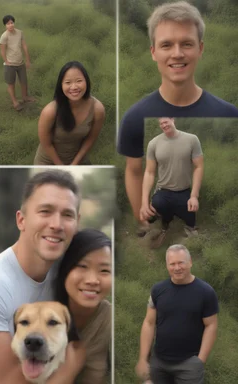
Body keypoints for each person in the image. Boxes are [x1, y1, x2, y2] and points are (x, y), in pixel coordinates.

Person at [117, 1, 238, 228]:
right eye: (166, 45)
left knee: (190, 221)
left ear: (200, 49)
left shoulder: (229, 113)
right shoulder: (134, 118)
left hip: (186, 193)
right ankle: (160, 227)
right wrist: (140, 216)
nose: (177, 53)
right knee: (160, 208)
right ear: (153, 52)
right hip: (163, 193)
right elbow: (134, 172)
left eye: (187, 43)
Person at [0, 170, 85, 384]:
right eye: (45, 211)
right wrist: (75, 362)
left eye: (67, 215)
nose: (57, 224)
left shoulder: (64, 272)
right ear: (21, 220)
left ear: (76, 224)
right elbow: (11, 380)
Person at [136, 244, 219, 384]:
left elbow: (211, 326)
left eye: (181, 262)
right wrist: (143, 358)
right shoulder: (158, 290)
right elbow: (149, 323)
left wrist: (200, 361)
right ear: (167, 265)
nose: (177, 268)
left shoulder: (206, 292)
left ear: (190, 262)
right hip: (159, 361)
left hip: (189, 363)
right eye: (172, 264)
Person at [55, 228, 112, 384]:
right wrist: (69, 370)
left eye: (104, 270)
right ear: (65, 268)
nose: (93, 280)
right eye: (82, 266)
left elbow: (95, 374)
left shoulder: (108, 316)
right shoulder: (42, 309)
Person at [140, 118, 203, 247]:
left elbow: (199, 167)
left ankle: (187, 226)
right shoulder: (154, 143)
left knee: (191, 218)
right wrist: (144, 202)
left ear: (173, 119)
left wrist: (194, 196)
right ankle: (164, 223)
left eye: (166, 121)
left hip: (184, 190)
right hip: (164, 190)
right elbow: (149, 172)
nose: (163, 125)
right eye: (161, 123)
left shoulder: (191, 139)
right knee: (158, 204)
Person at [34, 61, 105, 165]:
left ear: (87, 81)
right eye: (68, 82)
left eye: (79, 81)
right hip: (49, 161)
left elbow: (91, 139)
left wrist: (75, 163)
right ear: (61, 85)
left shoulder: (97, 109)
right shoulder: (50, 111)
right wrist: (61, 166)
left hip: (78, 159)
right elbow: (46, 144)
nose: (74, 87)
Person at [0, 15, 35, 111]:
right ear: (5, 25)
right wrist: (6, 61)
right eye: (8, 23)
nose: (10, 25)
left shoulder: (20, 33)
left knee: (24, 81)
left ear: (14, 23)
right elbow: (2, 51)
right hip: (10, 65)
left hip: (20, 63)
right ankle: (15, 102)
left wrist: (27, 60)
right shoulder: (4, 36)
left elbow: (24, 46)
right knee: (11, 84)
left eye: (12, 23)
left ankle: (25, 97)